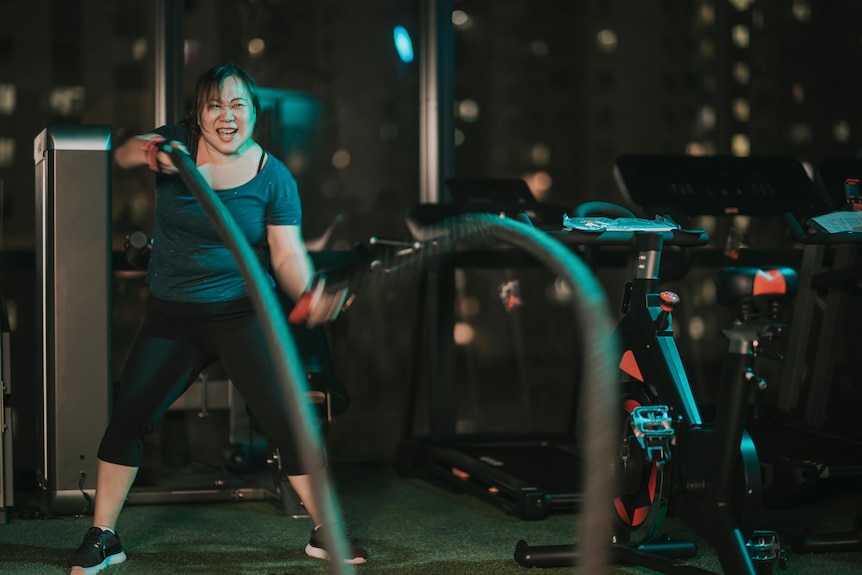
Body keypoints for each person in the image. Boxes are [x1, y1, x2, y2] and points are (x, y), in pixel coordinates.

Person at [65, 63, 366, 574]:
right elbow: (119, 152)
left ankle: (325, 529)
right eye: (214, 106)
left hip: (243, 315)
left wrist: (309, 291)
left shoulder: (274, 178)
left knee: (292, 422)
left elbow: (287, 256)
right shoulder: (175, 144)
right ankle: (104, 535)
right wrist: (150, 150)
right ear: (198, 116)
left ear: (253, 113)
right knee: (130, 416)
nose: (227, 116)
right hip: (173, 316)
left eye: (238, 105)